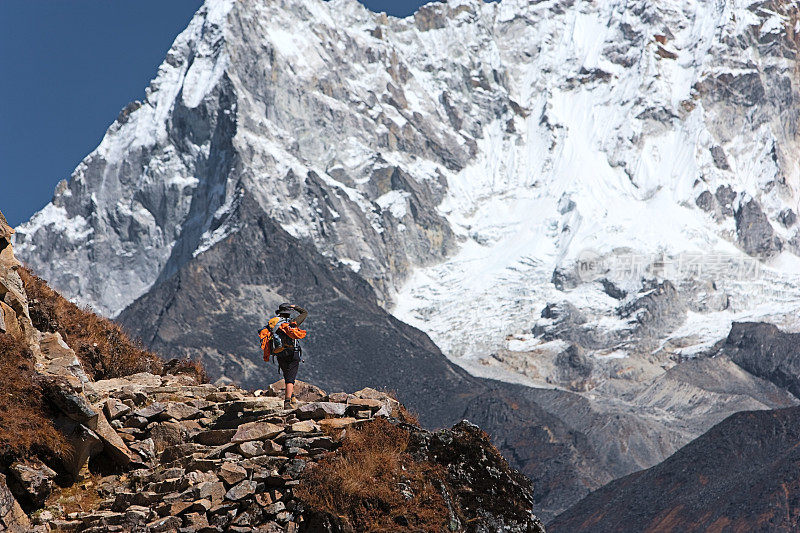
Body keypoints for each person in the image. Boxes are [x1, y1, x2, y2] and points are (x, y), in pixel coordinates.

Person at [272, 303, 308, 408]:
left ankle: (292, 397)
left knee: (286, 374)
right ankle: (287, 402)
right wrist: (295, 307)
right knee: (290, 378)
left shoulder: (274, 324)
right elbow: (304, 312)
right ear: (289, 312)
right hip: (292, 353)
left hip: (279, 352)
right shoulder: (293, 323)